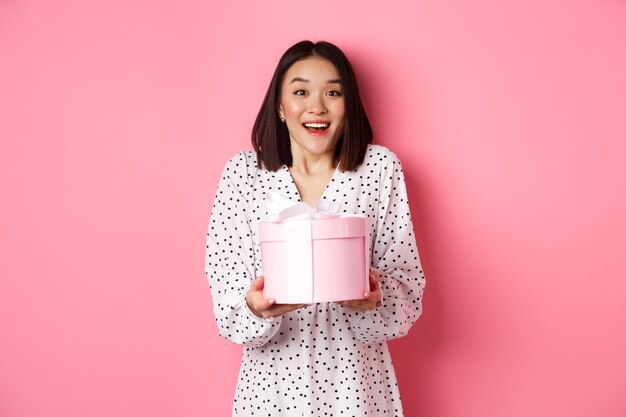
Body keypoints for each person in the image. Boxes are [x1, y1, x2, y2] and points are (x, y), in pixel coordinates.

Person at [205, 40, 426, 416]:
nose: (317, 106)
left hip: (356, 389)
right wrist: (256, 308)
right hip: (270, 390)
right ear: (279, 104)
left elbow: (408, 287)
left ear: (348, 104)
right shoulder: (242, 175)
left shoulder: (379, 169)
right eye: (301, 91)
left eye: (333, 92)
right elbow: (226, 298)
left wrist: (376, 297)